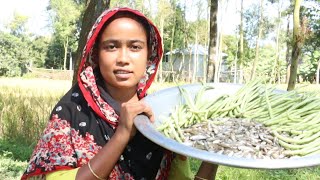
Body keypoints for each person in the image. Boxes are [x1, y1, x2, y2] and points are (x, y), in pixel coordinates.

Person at [21, 7, 217, 180]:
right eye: (112, 46)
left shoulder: (160, 113)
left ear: (150, 55)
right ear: (95, 54)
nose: (123, 58)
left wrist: (215, 155)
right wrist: (122, 134)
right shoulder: (72, 111)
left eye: (135, 47)